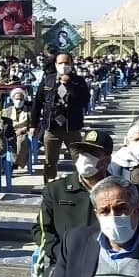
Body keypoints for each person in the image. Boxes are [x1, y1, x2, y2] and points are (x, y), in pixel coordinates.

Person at [31, 129, 112, 277]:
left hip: (107, 265)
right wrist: (61, 254)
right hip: (64, 263)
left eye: (92, 153)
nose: (84, 157)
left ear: (106, 160)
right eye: (82, 152)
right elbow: (42, 230)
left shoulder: (120, 192)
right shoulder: (56, 190)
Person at [30, 52, 91, 182]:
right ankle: (50, 185)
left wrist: (70, 86)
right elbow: (37, 102)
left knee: (79, 160)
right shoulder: (48, 79)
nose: (64, 65)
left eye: (67, 63)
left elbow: (85, 100)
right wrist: (33, 124)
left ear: (71, 64)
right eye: (61, 63)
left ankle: (82, 184)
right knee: (50, 161)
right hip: (52, 127)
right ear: (56, 64)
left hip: (72, 127)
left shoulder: (78, 81)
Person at [3, 87, 32, 170]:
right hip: (10, 132)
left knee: (21, 141)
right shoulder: (7, 110)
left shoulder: (29, 110)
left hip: (23, 132)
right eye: (17, 99)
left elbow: (32, 123)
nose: (19, 101)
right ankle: (9, 163)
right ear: (13, 99)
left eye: (21, 99)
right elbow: (4, 123)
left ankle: (16, 162)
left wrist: (24, 129)